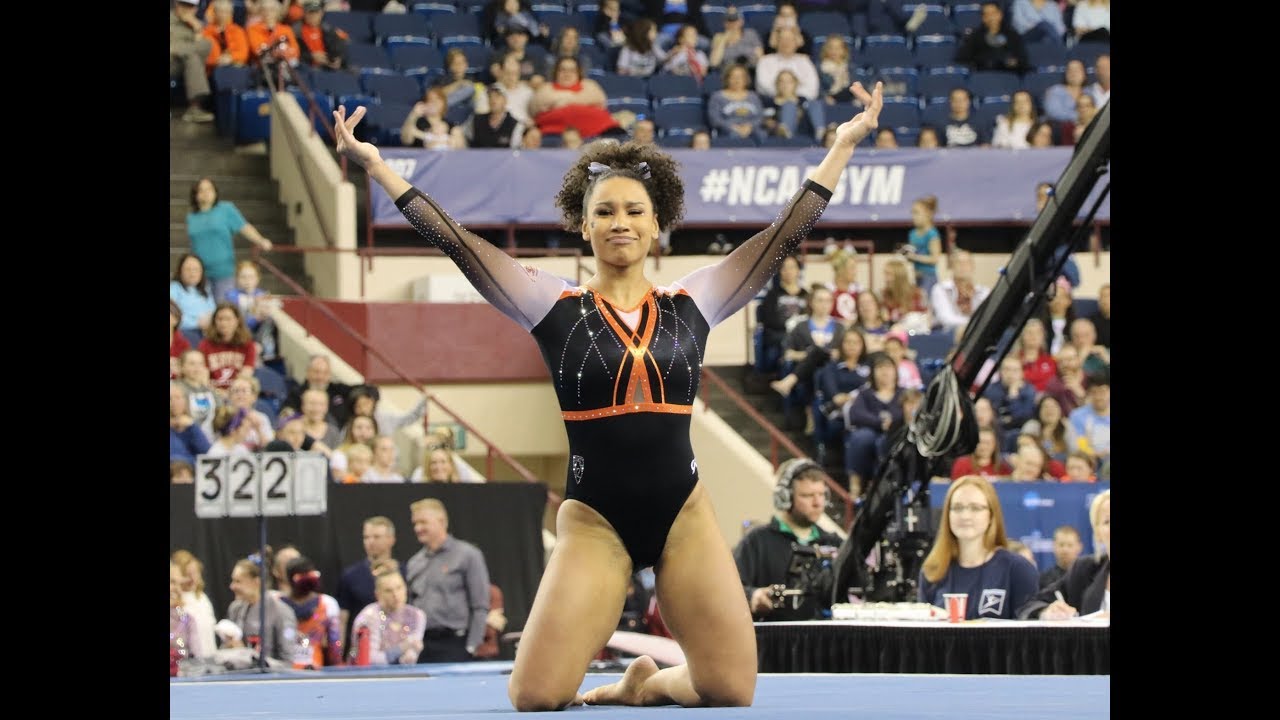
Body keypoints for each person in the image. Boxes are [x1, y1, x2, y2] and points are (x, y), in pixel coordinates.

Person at [330, 79, 885, 709]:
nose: (619, 223)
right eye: (604, 212)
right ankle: (623, 677)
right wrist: (377, 166)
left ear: (658, 226)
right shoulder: (551, 304)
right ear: (582, 225)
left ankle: (647, 684)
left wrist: (840, 148)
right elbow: (458, 244)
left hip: (685, 517)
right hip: (597, 522)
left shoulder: (693, 301)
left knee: (729, 687)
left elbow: (783, 236)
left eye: (633, 212)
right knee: (536, 696)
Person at [733, 459, 842, 622]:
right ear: (784, 497)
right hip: (772, 643)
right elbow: (730, 590)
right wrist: (753, 596)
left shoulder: (834, 543)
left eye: (821, 495)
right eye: (807, 495)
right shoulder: (756, 542)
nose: (817, 503)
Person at [918, 475, 1040, 619]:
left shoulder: (1017, 569)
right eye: (957, 508)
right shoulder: (933, 570)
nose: (965, 516)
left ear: (991, 515)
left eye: (975, 508)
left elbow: (1030, 634)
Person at [405, 499, 491, 663]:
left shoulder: (468, 555)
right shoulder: (414, 562)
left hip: (455, 645)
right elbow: (410, 607)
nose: (417, 528)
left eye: (423, 522)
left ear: (442, 521)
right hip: (421, 648)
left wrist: (472, 647)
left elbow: (480, 606)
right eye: (415, 523)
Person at [1020, 489, 1109, 619]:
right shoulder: (1085, 569)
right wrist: (1047, 611)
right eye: (1107, 521)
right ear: (1097, 533)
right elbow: (1031, 605)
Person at [186, 178, 273, 301]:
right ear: (195, 195)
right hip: (200, 275)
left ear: (215, 192)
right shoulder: (191, 217)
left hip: (223, 272)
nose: (206, 193)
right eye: (201, 190)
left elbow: (244, 227)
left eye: (209, 189)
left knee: (223, 310)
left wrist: (260, 240)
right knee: (203, 311)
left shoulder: (226, 209)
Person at [336, 516, 398, 649]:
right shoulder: (351, 576)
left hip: (399, 648)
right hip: (363, 647)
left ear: (391, 539)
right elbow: (342, 620)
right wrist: (338, 655)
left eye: (376, 537)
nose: (370, 542)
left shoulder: (404, 572)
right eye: (366, 537)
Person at [349, 569, 426, 665]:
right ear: (378, 594)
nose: (395, 594)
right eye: (388, 590)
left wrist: (409, 654)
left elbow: (411, 655)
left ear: (406, 588)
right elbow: (369, 659)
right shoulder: (369, 617)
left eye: (399, 588)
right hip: (368, 675)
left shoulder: (417, 615)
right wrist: (402, 648)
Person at [1039, 524, 1083, 589]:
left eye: (1070, 545)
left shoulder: (1088, 577)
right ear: (1054, 546)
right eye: (1061, 545)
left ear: (1079, 547)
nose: (1065, 550)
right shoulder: (1044, 579)